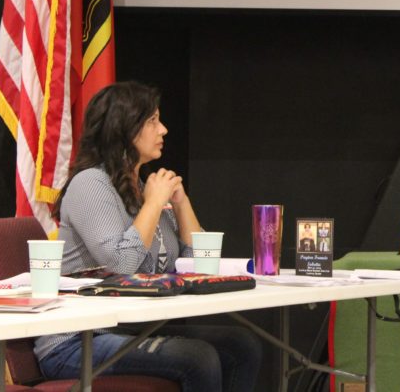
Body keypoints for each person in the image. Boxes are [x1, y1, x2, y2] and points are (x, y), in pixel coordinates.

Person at [34, 81, 262, 392]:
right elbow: (123, 264)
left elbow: (200, 266)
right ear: (124, 128)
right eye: (152, 120)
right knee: (198, 357)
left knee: (241, 345)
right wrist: (155, 203)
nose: (164, 129)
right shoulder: (90, 184)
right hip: (77, 340)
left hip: (131, 330)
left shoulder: (143, 187)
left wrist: (182, 205)